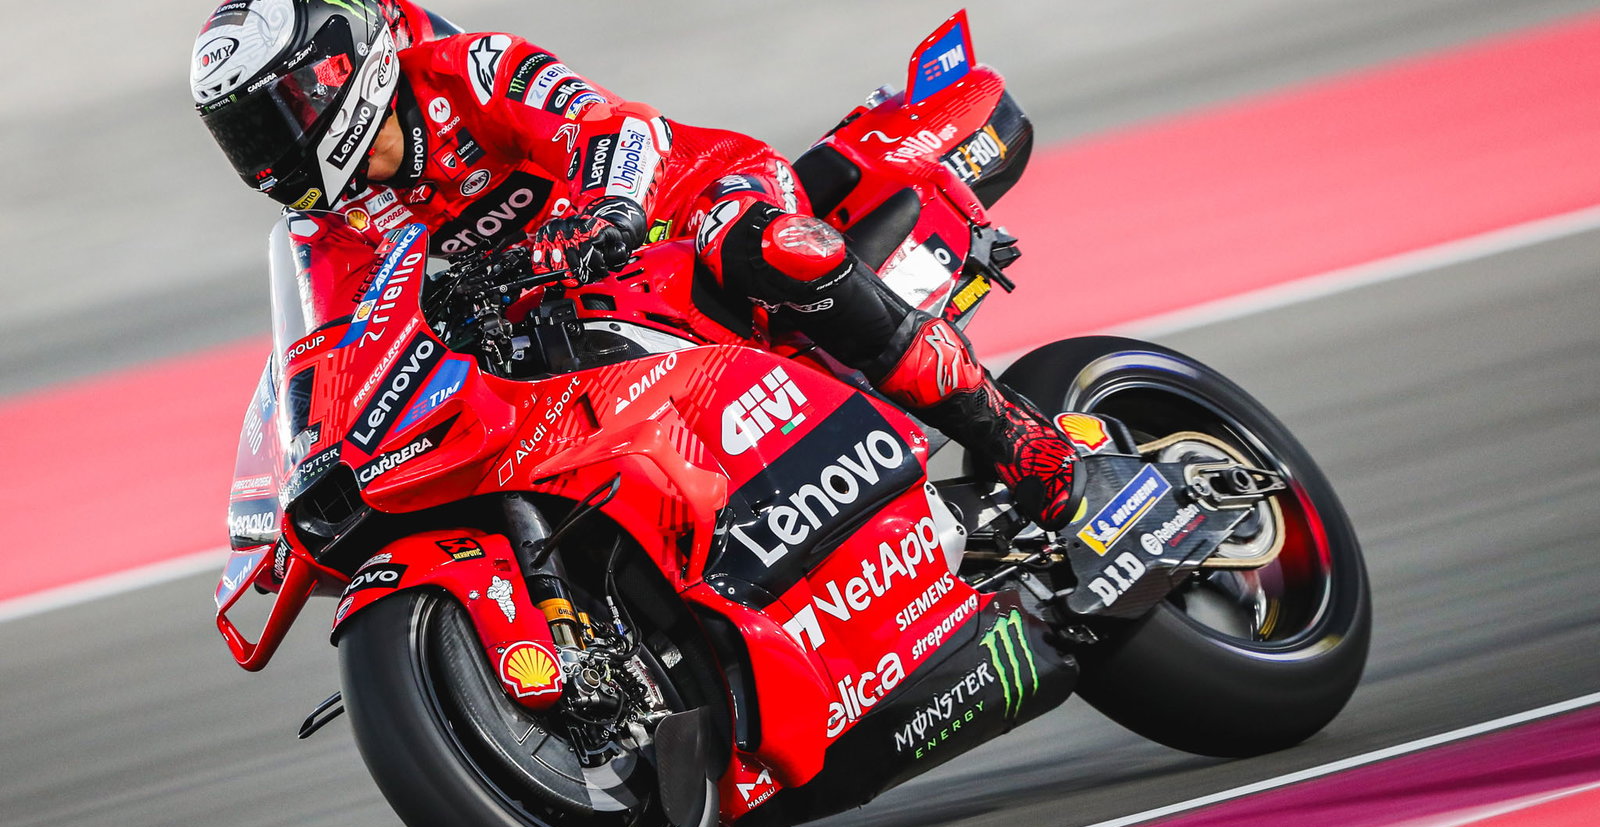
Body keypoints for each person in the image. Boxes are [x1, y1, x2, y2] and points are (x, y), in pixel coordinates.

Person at [190, 0, 1083, 530]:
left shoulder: (462, 73)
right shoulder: (334, 234)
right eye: (242, 137)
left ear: (336, 70)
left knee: (763, 246)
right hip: (571, 323)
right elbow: (340, 355)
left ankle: (1021, 441)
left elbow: (615, 127)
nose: (265, 152)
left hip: (684, 206)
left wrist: (606, 212)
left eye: (273, 116)